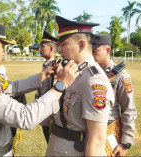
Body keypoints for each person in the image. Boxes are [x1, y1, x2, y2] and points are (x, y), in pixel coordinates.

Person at [0, 19, 79, 157]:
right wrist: (60, 86)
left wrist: (42, 76)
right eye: (2, 46)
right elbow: (25, 117)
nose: (4, 52)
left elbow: (13, 87)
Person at [45, 16, 115, 156]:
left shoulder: (94, 81)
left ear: (81, 45)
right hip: (57, 146)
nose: (60, 50)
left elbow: (97, 140)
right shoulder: (73, 72)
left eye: (64, 44)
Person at [92, 34, 137, 156]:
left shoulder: (121, 76)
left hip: (110, 128)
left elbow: (129, 110)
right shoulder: (90, 72)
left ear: (107, 50)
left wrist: (125, 143)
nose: (92, 54)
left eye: (95, 51)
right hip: (90, 130)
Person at [35, 31, 59, 143]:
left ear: (51, 49)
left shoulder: (58, 64)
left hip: (53, 112)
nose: (40, 49)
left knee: (54, 143)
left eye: (42, 46)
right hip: (44, 109)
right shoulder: (46, 64)